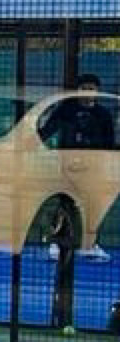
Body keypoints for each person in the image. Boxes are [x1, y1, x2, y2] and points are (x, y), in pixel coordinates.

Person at [40, 73, 115, 263]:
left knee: (93, 208)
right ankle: (56, 244)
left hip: (93, 169)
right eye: (84, 88)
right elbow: (47, 131)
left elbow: (109, 143)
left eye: (91, 89)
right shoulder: (66, 110)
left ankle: (90, 245)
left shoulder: (103, 114)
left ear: (97, 91)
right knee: (65, 204)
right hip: (67, 168)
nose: (87, 92)